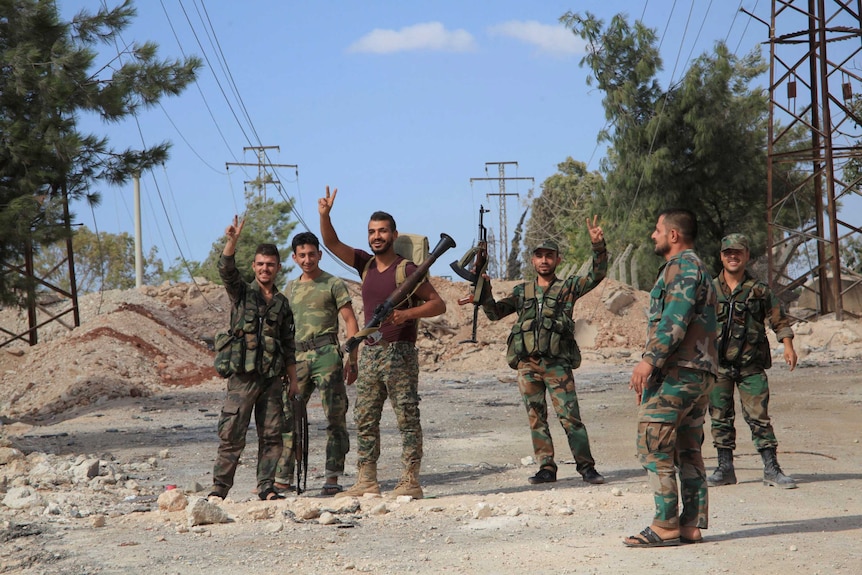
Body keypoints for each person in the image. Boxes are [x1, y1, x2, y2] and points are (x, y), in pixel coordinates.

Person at [319, 186, 446, 499]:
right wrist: (325, 215)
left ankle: (410, 480)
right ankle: (366, 480)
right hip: (372, 353)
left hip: (400, 352)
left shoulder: (408, 270)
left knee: (406, 417)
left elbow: (438, 305)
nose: (376, 236)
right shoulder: (364, 264)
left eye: (382, 231)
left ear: (394, 234)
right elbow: (331, 243)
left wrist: (406, 314)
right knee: (365, 418)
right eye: (372, 232)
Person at [477, 217, 608, 486]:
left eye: (549, 256)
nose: (544, 260)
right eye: (539, 256)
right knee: (536, 419)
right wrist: (484, 289)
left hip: (557, 365)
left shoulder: (568, 288)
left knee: (571, 418)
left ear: (558, 260)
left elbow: (597, 275)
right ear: (533, 261)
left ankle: (587, 468)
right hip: (528, 365)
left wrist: (598, 246)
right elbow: (494, 313)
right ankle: (546, 468)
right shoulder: (522, 292)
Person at [626, 208, 718, 547]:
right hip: (699, 373)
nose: (654, 235)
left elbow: (674, 319)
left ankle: (665, 524)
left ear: (674, 235)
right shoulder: (699, 268)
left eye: (657, 230)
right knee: (688, 449)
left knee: (653, 444)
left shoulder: (682, 267)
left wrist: (649, 362)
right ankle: (690, 524)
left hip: (678, 372)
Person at [209, 216, 298, 502]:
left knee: (272, 436)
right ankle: (219, 490)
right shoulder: (242, 294)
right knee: (232, 434)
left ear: (278, 268)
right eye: (260, 264)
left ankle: (267, 487)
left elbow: (288, 344)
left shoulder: (283, 304)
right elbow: (226, 271)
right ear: (254, 267)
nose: (264, 269)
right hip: (242, 378)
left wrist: (293, 381)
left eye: (270, 264)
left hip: (271, 379)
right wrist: (231, 242)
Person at [707, 233, 798, 489]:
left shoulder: (760, 291)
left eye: (738, 252)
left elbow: (779, 320)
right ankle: (725, 468)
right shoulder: (709, 290)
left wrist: (788, 346)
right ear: (721, 256)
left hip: (751, 367)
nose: (733, 257)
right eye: (728, 253)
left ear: (747, 256)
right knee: (720, 417)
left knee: (759, 416)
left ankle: (772, 468)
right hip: (719, 367)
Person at [273, 231, 360, 496]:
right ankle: (283, 477)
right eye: (302, 255)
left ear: (319, 255)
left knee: (335, 416)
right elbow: (282, 326)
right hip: (297, 358)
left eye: (312, 254)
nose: (307, 259)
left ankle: (332, 476)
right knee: (289, 416)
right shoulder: (290, 288)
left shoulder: (333, 284)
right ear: (294, 258)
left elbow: (350, 321)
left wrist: (352, 358)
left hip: (326, 356)